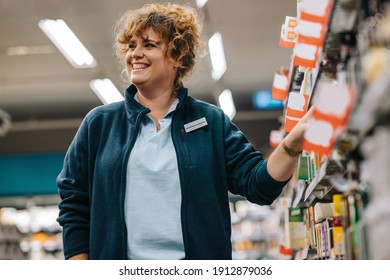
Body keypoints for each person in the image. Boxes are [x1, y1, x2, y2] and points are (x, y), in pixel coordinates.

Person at [56, 3, 312, 260]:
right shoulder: (99, 124)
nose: (135, 53)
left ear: (178, 57)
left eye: (149, 45)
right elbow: (74, 203)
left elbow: (260, 186)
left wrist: (292, 144)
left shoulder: (210, 122)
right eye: (131, 45)